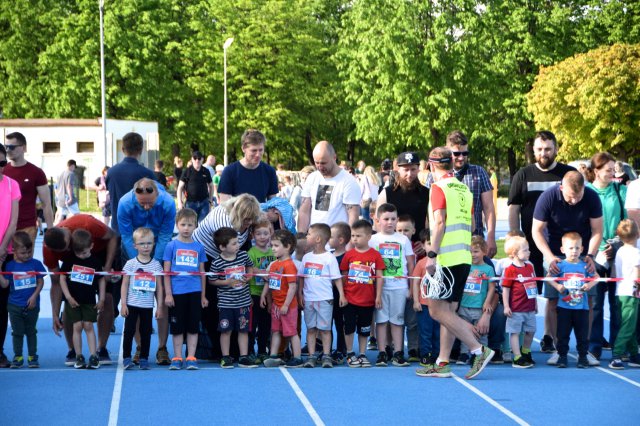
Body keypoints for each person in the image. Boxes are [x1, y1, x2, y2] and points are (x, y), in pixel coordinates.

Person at [415, 147, 494, 380]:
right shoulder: (464, 189)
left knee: (436, 310)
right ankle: (442, 361)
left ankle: (478, 350)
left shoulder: (438, 188)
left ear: (431, 166)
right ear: (451, 163)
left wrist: (431, 255)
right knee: (448, 311)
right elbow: (471, 223)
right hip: (463, 257)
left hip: (446, 259)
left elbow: (439, 222)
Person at [508, 131, 575, 353]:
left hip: (558, 246)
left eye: (547, 149)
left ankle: (549, 336)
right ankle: (519, 341)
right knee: (524, 294)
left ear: (556, 148)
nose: (543, 153)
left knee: (554, 295)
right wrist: (515, 235)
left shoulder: (568, 174)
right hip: (528, 247)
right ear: (533, 150)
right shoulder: (523, 174)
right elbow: (514, 208)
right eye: (539, 149)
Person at [532, 170, 603, 366]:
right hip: (555, 252)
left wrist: (590, 255)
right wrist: (549, 257)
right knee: (554, 301)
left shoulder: (591, 197)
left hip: (582, 253)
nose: (573, 201)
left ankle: (584, 348)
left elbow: (597, 230)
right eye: (570, 197)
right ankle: (557, 348)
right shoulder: (548, 197)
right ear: (562, 188)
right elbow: (536, 230)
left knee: (587, 300)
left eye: (577, 197)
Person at [192, 194, 262, 360]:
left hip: (231, 254)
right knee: (215, 303)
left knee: (237, 301)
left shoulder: (247, 220)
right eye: (246, 220)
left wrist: (247, 272)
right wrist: (235, 276)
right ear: (237, 215)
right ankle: (218, 350)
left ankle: (239, 350)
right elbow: (226, 256)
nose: (249, 223)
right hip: (209, 255)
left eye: (252, 219)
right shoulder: (223, 222)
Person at [44, 214, 117, 365]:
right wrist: (55, 314)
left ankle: (101, 348)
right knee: (70, 304)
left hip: (99, 255)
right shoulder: (49, 250)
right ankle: (72, 350)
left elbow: (113, 236)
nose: (69, 249)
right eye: (65, 250)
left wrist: (107, 268)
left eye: (68, 245)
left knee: (108, 299)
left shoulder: (86, 223)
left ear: (67, 234)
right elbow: (56, 282)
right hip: (72, 266)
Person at [118, 177, 175, 365]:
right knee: (136, 301)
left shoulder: (167, 203)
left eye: (151, 203)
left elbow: (166, 234)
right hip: (136, 247)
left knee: (163, 299)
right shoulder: (125, 204)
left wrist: (154, 262)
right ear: (135, 196)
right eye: (142, 204)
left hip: (158, 248)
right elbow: (126, 236)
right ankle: (140, 346)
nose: (147, 207)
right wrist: (139, 261)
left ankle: (162, 348)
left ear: (158, 195)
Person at [425, 131, 496, 258]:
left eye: (465, 153)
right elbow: (430, 212)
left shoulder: (478, 172)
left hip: (474, 241)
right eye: (456, 153)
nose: (461, 157)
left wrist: (491, 237)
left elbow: (489, 207)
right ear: (447, 151)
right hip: (446, 243)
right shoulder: (433, 176)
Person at [585, 152, 626, 359]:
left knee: (617, 303)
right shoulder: (587, 192)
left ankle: (618, 348)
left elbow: (629, 223)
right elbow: (586, 225)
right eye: (608, 170)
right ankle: (595, 346)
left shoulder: (620, 190)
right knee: (596, 303)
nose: (613, 173)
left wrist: (617, 244)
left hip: (618, 253)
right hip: (595, 254)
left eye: (614, 169)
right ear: (596, 171)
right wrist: (598, 248)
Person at [163, 208, 208, 370]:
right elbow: (166, 272)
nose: (186, 228)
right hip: (177, 293)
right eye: (183, 224)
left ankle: (191, 357)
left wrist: (203, 296)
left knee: (193, 326)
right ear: (177, 225)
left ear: (196, 225)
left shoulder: (199, 247)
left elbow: (203, 273)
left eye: (190, 225)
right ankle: (177, 356)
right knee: (177, 327)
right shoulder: (171, 245)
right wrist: (168, 293)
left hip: (195, 292)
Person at [370, 203, 414, 367]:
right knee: (381, 321)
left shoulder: (403, 240)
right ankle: (382, 352)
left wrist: (410, 286)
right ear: (378, 220)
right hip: (380, 288)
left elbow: (410, 264)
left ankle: (398, 352)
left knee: (397, 320)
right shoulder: (374, 239)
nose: (390, 222)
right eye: (386, 219)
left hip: (399, 286)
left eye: (393, 219)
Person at [547, 232, 598, 368]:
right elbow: (548, 277)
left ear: (582, 249)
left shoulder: (584, 266)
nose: (574, 251)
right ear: (563, 250)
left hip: (582, 308)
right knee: (562, 334)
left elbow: (596, 277)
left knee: (582, 335)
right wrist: (558, 286)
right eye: (570, 248)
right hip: (564, 307)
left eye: (577, 248)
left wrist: (589, 285)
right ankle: (562, 356)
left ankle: (582, 357)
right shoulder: (561, 265)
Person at [299, 223, 346, 368]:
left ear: (318, 239)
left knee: (325, 329)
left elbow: (337, 278)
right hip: (309, 299)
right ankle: (312, 356)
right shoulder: (306, 257)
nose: (306, 237)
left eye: (309, 234)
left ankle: (326, 355)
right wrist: (300, 293)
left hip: (325, 299)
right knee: (311, 329)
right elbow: (301, 277)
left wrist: (342, 295)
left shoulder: (329, 258)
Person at [208, 227, 256, 369]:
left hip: (243, 302)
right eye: (234, 243)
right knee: (226, 330)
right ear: (222, 247)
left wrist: (248, 277)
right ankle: (225, 357)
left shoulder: (243, 255)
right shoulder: (217, 262)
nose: (237, 245)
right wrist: (227, 282)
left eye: (237, 242)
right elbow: (212, 280)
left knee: (243, 330)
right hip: (226, 304)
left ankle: (243, 357)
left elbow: (250, 268)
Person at [59, 229, 106, 369]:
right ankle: (79, 356)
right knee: (77, 326)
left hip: (89, 300)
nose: (81, 256)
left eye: (84, 253)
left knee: (89, 325)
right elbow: (62, 278)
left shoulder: (95, 262)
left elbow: (101, 280)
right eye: (78, 253)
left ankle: (93, 356)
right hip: (73, 300)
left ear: (91, 246)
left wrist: (101, 298)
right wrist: (68, 297)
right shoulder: (69, 260)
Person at [340, 219, 384, 367]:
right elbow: (344, 276)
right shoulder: (349, 255)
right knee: (349, 327)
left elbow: (379, 277)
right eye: (353, 236)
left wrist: (378, 296)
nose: (354, 239)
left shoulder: (375, 255)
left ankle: (363, 353)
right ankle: (350, 352)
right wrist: (343, 295)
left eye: (358, 236)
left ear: (368, 237)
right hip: (350, 299)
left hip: (368, 299)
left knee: (364, 329)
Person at [120, 227, 164, 370]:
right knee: (129, 331)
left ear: (153, 244)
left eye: (149, 243)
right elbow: (125, 284)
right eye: (142, 243)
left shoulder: (156, 265)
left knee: (146, 332)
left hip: (147, 306)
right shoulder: (130, 264)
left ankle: (144, 358)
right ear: (135, 246)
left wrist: (160, 307)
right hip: (132, 304)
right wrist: (124, 304)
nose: (146, 246)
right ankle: (126, 357)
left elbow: (159, 288)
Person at [0, 232, 46, 368]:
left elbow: (40, 282)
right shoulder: (10, 266)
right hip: (14, 305)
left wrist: (34, 296)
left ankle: (32, 357)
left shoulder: (36, 264)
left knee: (31, 331)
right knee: (17, 332)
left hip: (32, 304)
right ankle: (18, 356)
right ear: (13, 250)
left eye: (29, 252)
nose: (26, 255)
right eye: (23, 253)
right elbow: (4, 285)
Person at [297, 141, 361, 233]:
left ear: (334, 157)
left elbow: (353, 217)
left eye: (323, 163)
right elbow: (304, 211)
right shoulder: (312, 178)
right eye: (317, 163)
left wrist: (350, 245)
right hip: (314, 242)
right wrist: (301, 236)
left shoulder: (348, 181)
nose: (320, 167)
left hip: (338, 243)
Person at [261, 230, 303, 368]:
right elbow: (269, 282)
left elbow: (292, 287)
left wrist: (286, 304)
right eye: (272, 245)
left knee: (291, 332)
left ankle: (297, 357)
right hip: (276, 305)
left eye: (276, 245)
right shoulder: (274, 265)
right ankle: (273, 355)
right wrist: (263, 296)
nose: (272, 248)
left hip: (287, 306)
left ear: (288, 247)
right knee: (276, 331)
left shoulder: (289, 265)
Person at [377, 152, 429, 258]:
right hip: (391, 249)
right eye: (406, 170)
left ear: (418, 169)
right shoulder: (387, 193)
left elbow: (430, 222)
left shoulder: (426, 193)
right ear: (398, 169)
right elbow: (378, 222)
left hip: (418, 252)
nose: (409, 174)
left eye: (413, 169)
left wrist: (425, 241)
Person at [4, 131, 54, 242]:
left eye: (12, 147)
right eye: (6, 147)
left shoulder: (36, 172)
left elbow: (46, 204)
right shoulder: (3, 171)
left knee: (24, 259)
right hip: (4, 227)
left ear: (23, 148)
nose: (8, 150)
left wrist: (51, 231)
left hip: (27, 228)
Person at [106, 132, 156, 234]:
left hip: (118, 228)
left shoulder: (111, 172)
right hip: (141, 232)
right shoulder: (147, 174)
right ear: (141, 150)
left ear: (123, 149)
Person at [456, 236, 494, 365]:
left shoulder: (488, 269)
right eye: (470, 251)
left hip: (479, 306)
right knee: (464, 330)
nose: (473, 254)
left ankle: (481, 354)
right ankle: (464, 353)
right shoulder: (465, 267)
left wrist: (487, 302)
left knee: (480, 331)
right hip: (464, 305)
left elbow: (492, 288)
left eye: (476, 251)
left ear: (484, 251)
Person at [609, 219, 640, 369]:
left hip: (619, 291)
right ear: (638, 234)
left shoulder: (620, 251)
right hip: (632, 293)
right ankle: (617, 355)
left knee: (629, 324)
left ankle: (634, 355)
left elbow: (615, 272)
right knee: (628, 326)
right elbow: (637, 276)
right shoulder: (636, 252)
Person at [502, 236, 537, 368]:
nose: (529, 252)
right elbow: (505, 289)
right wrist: (506, 306)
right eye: (525, 250)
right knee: (515, 332)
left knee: (531, 330)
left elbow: (533, 285)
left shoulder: (529, 267)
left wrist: (536, 303)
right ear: (514, 253)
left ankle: (525, 351)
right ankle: (517, 356)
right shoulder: (510, 269)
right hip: (516, 308)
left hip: (530, 307)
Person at [0, 144, 21, 368]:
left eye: (2, 163)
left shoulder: (11, 185)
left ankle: (0, 351)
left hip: (5, 252)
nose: (0, 168)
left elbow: (13, 221)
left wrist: (3, 247)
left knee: (2, 305)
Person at [218, 129, 278, 204]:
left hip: (262, 214)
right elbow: (224, 205)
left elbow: (273, 203)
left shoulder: (269, 171)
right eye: (254, 150)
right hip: (235, 214)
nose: (258, 154)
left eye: (261, 150)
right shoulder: (229, 172)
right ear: (243, 148)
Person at [247, 216, 275, 362]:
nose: (262, 237)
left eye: (265, 233)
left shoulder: (273, 252)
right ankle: (250, 350)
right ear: (253, 235)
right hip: (254, 293)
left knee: (266, 324)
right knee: (253, 324)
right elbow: (250, 268)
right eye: (258, 234)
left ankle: (262, 350)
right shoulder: (251, 252)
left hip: (270, 294)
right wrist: (263, 273)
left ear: (271, 233)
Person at [411, 229, 440, 367]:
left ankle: (437, 354)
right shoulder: (421, 263)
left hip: (440, 305)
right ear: (423, 245)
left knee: (438, 331)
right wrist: (416, 300)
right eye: (429, 243)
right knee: (425, 331)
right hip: (424, 304)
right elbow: (416, 282)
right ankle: (425, 354)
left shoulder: (443, 262)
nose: (432, 246)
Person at [395, 215, 420, 362]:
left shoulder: (419, 248)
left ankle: (413, 348)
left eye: (406, 230)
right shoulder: (391, 244)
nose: (403, 233)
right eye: (399, 230)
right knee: (395, 320)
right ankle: (392, 347)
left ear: (413, 230)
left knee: (412, 321)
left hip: (412, 289)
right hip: (395, 288)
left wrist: (412, 289)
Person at [329, 222, 350, 362]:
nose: (328, 239)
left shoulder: (347, 257)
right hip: (327, 295)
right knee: (326, 324)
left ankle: (341, 349)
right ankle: (327, 350)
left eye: (330, 237)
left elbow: (344, 278)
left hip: (341, 296)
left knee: (340, 323)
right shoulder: (328, 256)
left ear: (341, 240)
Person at [177, 151, 214, 223]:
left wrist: (210, 200)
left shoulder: (206, 171)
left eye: (199, 158)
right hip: (190, 203)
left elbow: (211, 186)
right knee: (191, 224)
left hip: (204, 202)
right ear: (192, 159)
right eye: (195, 158)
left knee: (202, 225)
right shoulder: (187, 171)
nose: (197, 160)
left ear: (202, 159)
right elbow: (180, 187)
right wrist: (179, 202)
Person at [54, 159, 79, 224]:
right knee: (77, 214)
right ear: (72, 165)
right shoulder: (71, 174)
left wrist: (57, 195)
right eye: (74, 167)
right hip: (67, 197)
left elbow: (57, 186)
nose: (74, 169)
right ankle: (76, 229)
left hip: (60, 198)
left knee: (61, 215)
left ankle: (54, 230)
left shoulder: (61, 173)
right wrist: (71, 198)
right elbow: (69, 186)